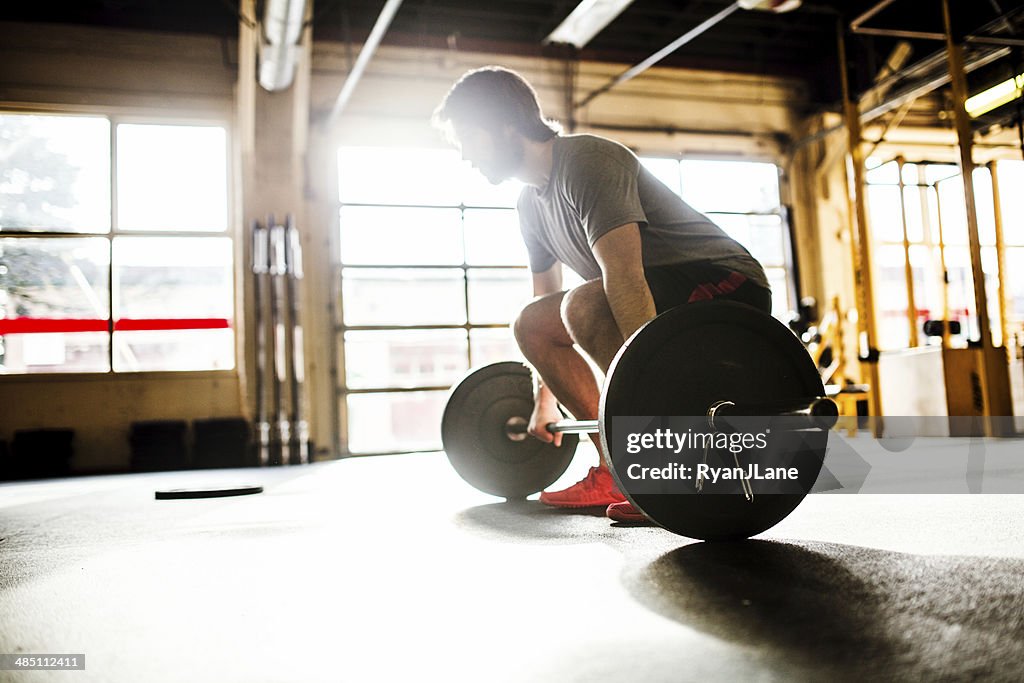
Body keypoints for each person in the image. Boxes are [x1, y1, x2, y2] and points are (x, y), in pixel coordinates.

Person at [433, 66, 772, 523]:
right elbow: (542, 309)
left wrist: (651, 388)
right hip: (650, 294)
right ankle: (619, 467)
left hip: (724, 285)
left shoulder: (587, 161)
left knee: (585, 303)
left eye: (469, 139)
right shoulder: (530, 204)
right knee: (530, 321)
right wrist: (544, 398)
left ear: (502, 126)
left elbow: (624, 277)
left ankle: (664, 466)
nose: (465, 157)